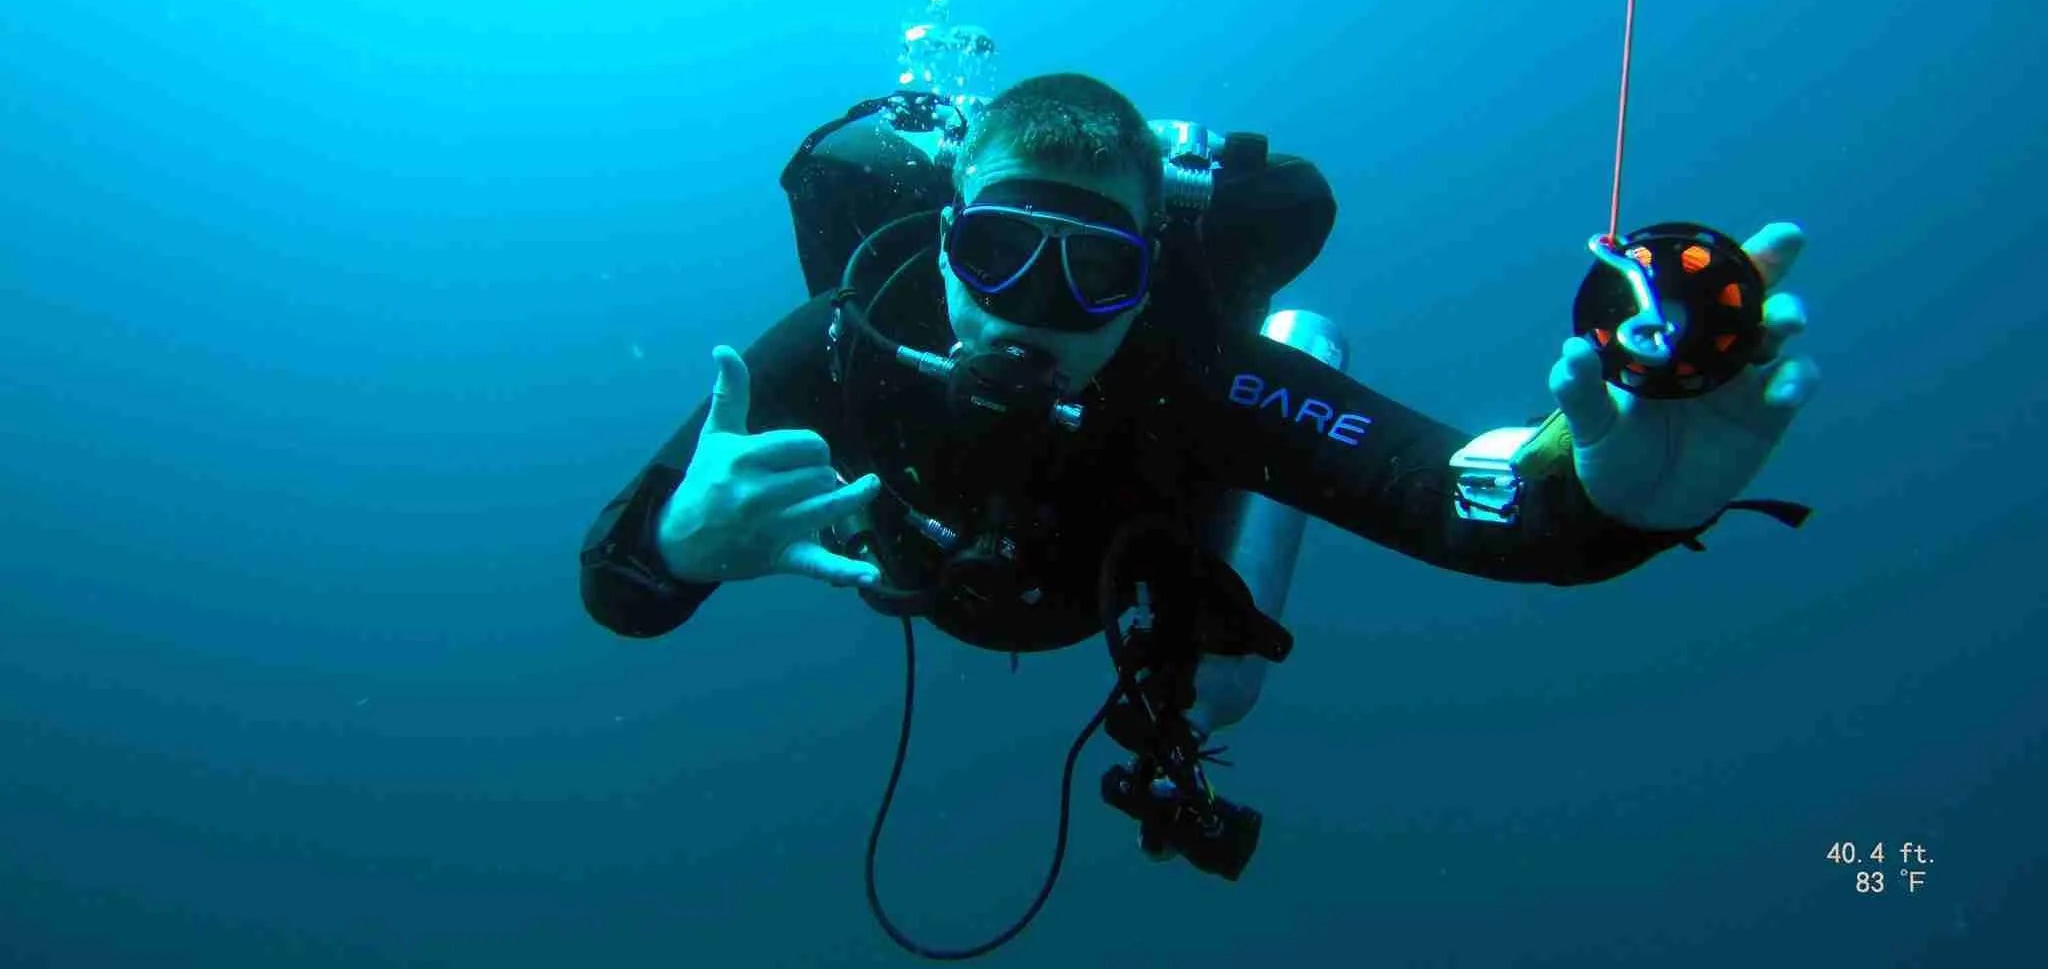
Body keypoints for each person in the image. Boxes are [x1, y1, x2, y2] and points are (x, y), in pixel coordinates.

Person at [577, 73, 1815, 953]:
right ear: (945, 241)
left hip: (1135, 578)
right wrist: (682, 547)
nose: (1038, 314)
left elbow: (1441, 495)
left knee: (1218, 693)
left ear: (1148, 276)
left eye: (1095, 271)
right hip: (968, 573)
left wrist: (1610, 511)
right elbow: (614, 586)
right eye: (1003, 252)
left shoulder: (1196, 369)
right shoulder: (846, 342)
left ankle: (1306, 342)